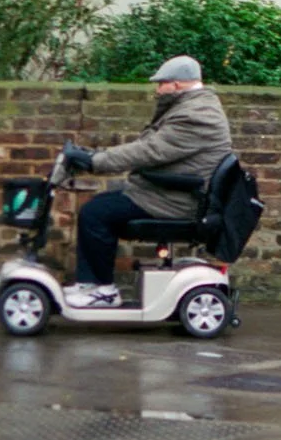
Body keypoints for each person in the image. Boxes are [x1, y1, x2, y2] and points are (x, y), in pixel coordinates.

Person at [58, 55, 232, 308]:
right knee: (102, 205)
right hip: (171, 191)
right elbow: (148, 147)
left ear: (177, 84)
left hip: (179, 199)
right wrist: (95, 155)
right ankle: (90, 284)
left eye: (161, 84)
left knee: (95, 213)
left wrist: (95, 161)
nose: (157, 89)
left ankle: (102, 290)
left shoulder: (196, 116)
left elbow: (149, 151)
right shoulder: (194, 106)